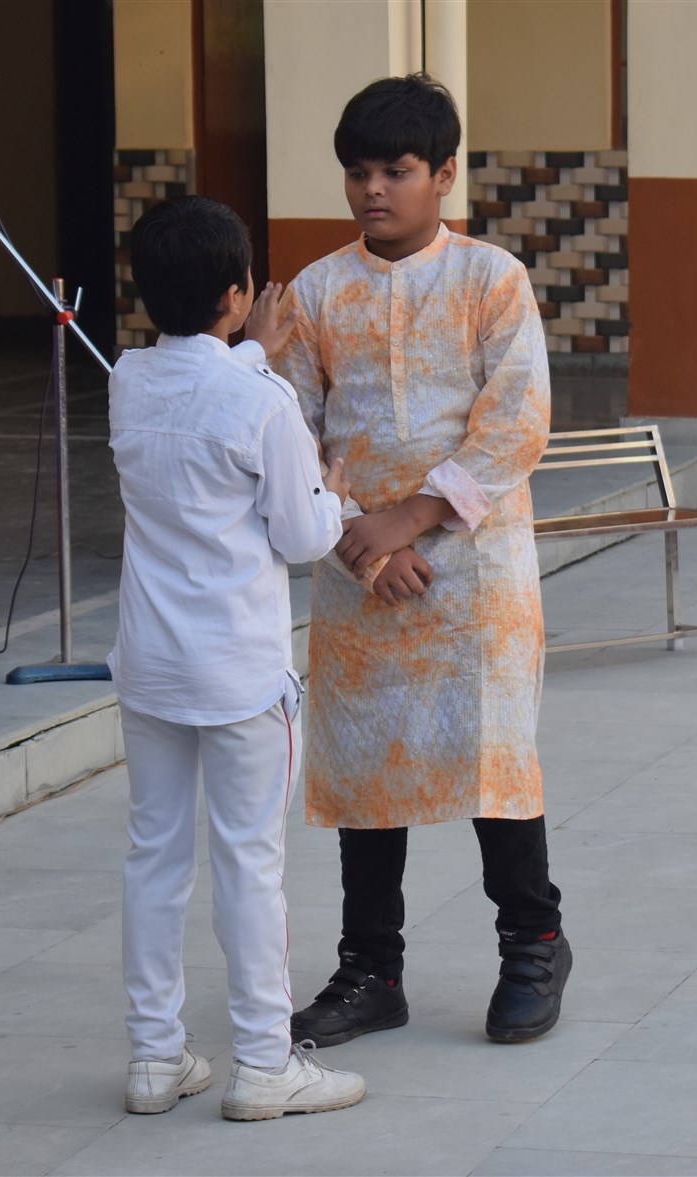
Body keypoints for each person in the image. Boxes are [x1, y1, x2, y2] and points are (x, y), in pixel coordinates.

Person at [274, 73, 571, 1050]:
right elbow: (290, 438)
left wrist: (411, 517)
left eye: (395, 171)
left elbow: (516, 420)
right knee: (365, 773)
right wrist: (358, 543)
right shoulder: (317, 292)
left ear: (443, 173)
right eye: (357, 172)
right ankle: (371, 971)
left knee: (495, 763)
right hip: (359, 566)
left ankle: (531, 944)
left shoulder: (491, 279)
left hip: (473, 573)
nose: (373, 189)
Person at [108, 195, 366, 1120]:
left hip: (151, 666)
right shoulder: (265, 403)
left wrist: (250, 346)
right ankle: (263, 1062)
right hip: (241, 675)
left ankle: (154, 1058)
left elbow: (198, 386)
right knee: (249, 864)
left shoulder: (127, 379)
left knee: (154, 858)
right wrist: (331, 494)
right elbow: (300, 536)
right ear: (236, 293)